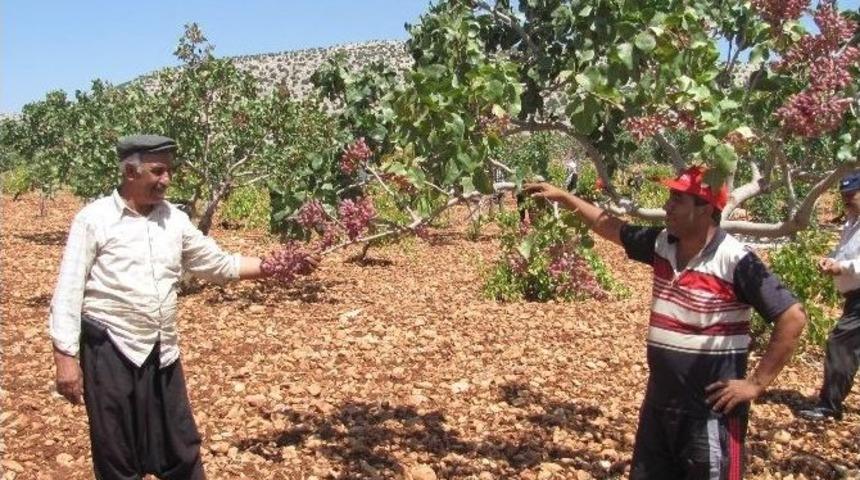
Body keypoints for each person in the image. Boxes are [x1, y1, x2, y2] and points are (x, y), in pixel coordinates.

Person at [49, 135, 310, 480]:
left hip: (162, 350)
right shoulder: (94, 219)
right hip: (111, 348)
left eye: (169, 171)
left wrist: (278, 266)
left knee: (181, 448)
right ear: (130, 171)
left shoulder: (174, 219)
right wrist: (65, 359)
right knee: (117, 453)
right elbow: (68, 289)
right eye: (158, 171)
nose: (166, 180)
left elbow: (218, 264)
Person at [524, 165, 807, 479]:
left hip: (710, 415)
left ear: (705, 208)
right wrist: (565, 198)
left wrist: (755, 384)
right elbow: (612, 228)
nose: (666, 206)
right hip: (660, 406)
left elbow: (792, 317)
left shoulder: (735, 260)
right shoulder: (662, 244)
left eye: (677, 199)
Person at [799, 171, 860, 421]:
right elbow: (845, 253)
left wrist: (842, 268)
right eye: (844, 195)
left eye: (852, 194)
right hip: (854, 298)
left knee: (840, 344)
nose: (847, 199)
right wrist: (831, 260)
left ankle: (829, 406)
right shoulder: (852, 223)